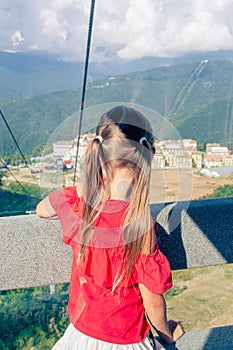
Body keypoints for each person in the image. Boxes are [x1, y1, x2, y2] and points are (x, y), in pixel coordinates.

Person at [36, 105, 184, 349]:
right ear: (149, 155)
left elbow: (43, 210)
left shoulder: (77, 205)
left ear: (98, 153)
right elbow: (153, 302)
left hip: (79, 336)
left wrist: (86, 188)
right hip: (126, 341)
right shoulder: (138, 223)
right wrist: (167, 338)